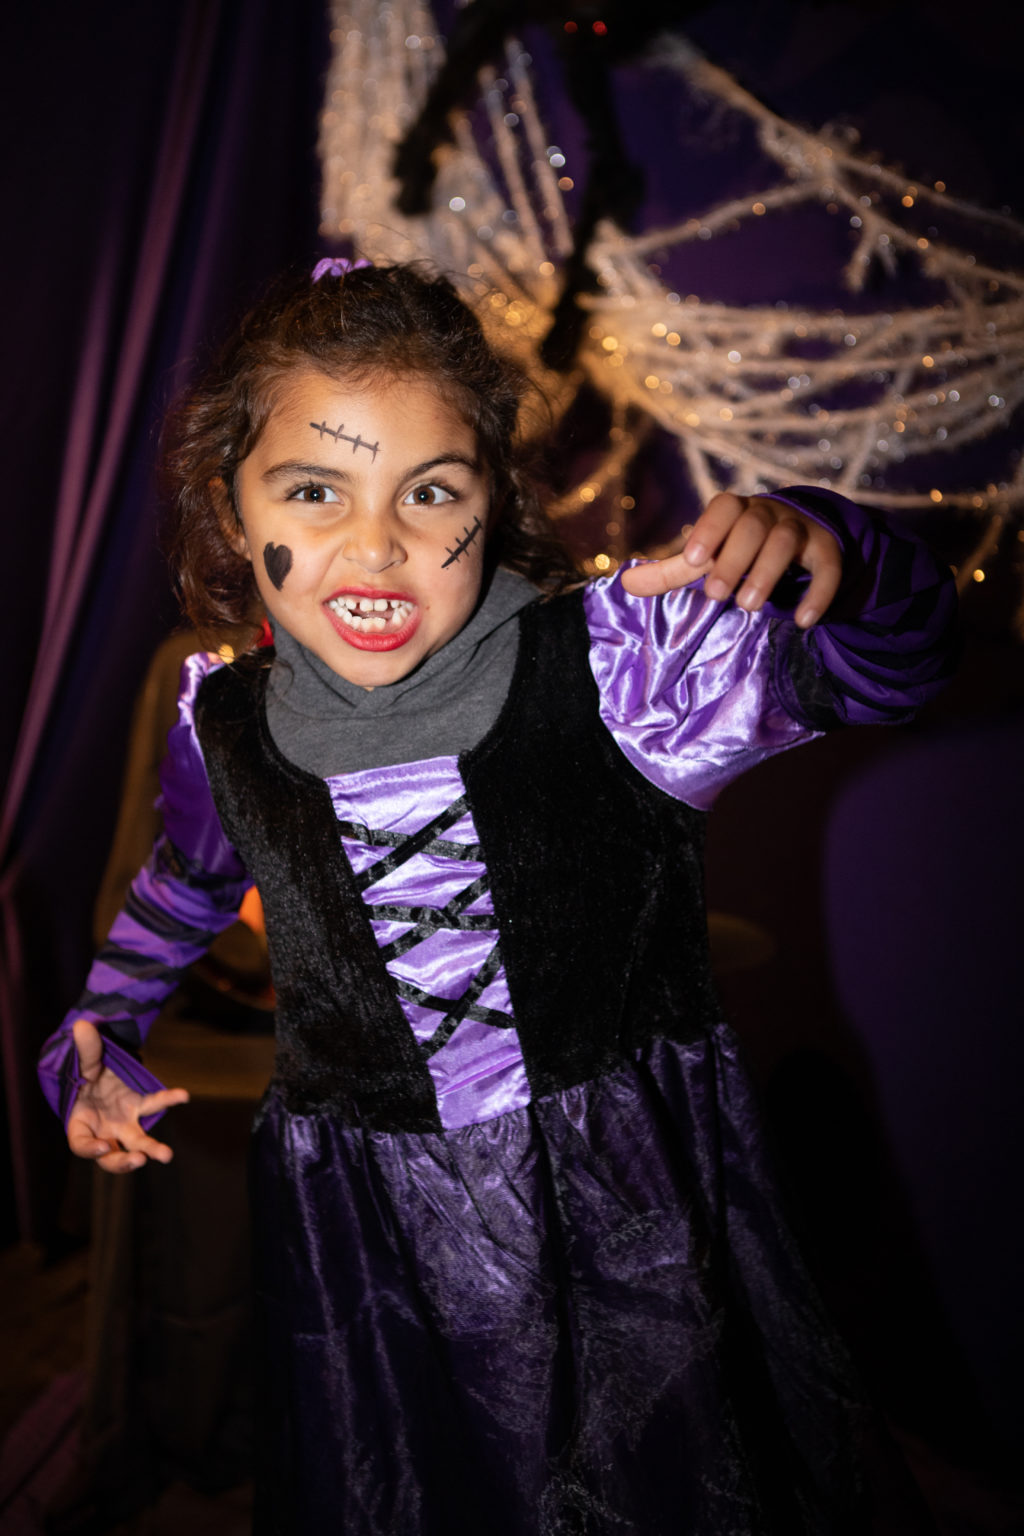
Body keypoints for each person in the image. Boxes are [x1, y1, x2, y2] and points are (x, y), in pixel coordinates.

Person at [38, 258, 956, 1535]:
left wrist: (833, 547)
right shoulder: (225, 726)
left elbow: (898, 669)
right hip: (363, 1244)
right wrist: (100, 1030)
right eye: (313, 489)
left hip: (622, 1223)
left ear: (494, 499)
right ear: (230, 510)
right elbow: (185, 883)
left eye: (429, 492)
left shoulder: (623, 670)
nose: (375, 545)